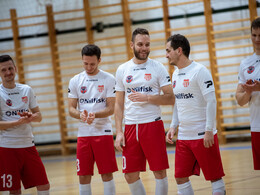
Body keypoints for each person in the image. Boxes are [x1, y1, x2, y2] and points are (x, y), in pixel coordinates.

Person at [114, 28, 175, 195]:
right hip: (131, 128)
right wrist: (119, 132)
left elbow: (171, 98)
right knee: (130, 175)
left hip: (152, 125)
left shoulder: (158, 67)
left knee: (160, 172)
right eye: (140, 44)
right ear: (132, 45)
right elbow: (118, 104)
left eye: (147, 45)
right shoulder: (122, 69)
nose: (144, 48)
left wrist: (148, 98)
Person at [165, 34, 226, 195]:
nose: (166, 54)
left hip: (203, 135)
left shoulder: (200, 71)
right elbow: (178, 102)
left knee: (214, 177)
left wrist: (208, 130)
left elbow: (211, 101)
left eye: (168, 50)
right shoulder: (175, 74)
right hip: (184, 136)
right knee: (180, 177)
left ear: (179, 50)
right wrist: (173, 126)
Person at [68, 44, 118, 195]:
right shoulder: (75, 80)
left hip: (103, 132)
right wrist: (81, 115)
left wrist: (94, 115)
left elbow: (111, 108)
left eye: (92, 64)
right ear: (82, 60)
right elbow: (71, 109)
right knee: (83, 175)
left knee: (106, 173)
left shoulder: (109, 79)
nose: (88, 67)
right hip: (84, 134)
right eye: (85, 63)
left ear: (99, 60)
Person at [0, 55, 50, 195]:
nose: (8, 72)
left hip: (28, 145)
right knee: (14, 189)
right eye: (4, 70)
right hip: (7, 147)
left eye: (10, 68)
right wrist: (17, 122)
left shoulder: (26, 89)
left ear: (15, 69)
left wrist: (31, 117)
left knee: (43, 184)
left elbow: (39, 116)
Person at [235, 17, 260, 170]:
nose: (257, 39)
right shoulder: (245, 64)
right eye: (254, 35)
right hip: (257, 126)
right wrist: (249, 92)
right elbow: (240, 99)